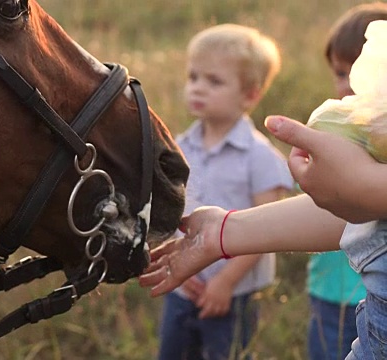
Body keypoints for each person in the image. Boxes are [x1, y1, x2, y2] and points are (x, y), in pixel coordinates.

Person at [139, 86, 387, 360]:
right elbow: (370, 213)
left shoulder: (258, 155)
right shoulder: (185, 141)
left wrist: (361, 182)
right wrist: (222, 232)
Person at [157, 23, 293, 360]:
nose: (198, 88)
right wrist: (179, 267)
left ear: (250, 94)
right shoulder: (178, 146)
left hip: (233, 293)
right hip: (183, 288)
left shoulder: (259, 157)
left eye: (214, 81)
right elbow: (176, 212)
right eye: (193, 77)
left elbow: (268, 230)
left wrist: (226, 283)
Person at [305, 4, 387, 359]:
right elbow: (321, 206)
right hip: (331, 294)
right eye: (341, 73)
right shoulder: (339, 133)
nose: (351, 86)